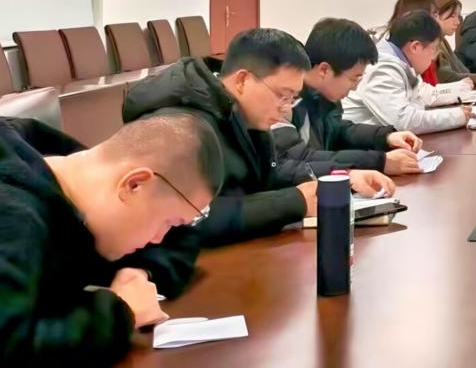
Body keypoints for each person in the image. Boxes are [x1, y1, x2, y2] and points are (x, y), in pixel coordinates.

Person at [0, 114, 223, 368]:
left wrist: (139, 272)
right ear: (134, 184)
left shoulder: (72, 169)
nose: (158, 239)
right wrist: (120, 312)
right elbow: (1, 361)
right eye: (167, 222)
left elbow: (183, 236)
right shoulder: (11, 214)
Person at [123, 28, 395, 247]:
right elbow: (185, 218)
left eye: (292, 98)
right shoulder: (182, 127)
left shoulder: (246, 116)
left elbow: (271, 174)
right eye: (282, 95)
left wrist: (341, 179)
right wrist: (294, 201)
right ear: (242, 80)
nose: (286, 108)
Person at [273, 18, 424, 177]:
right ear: (324, 70)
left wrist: (385, 137)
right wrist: (379, 161)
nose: (355, 87)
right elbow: (299, 157)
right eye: (353, 79)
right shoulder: (285, 100)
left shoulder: (323, 96)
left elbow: (339, 131)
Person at [343, 11, 473, 134]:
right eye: (433, 49)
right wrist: (457, 116)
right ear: (415, 47)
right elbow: (404, 122)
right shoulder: (382, 69)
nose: (434, 58)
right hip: (354, 145)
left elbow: (419, 101)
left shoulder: (402, 63)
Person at [376, 0, 441, 85]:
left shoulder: (404, 56)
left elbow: (422, 89)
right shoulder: (386, 70)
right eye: (434, 15)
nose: (438, 20)